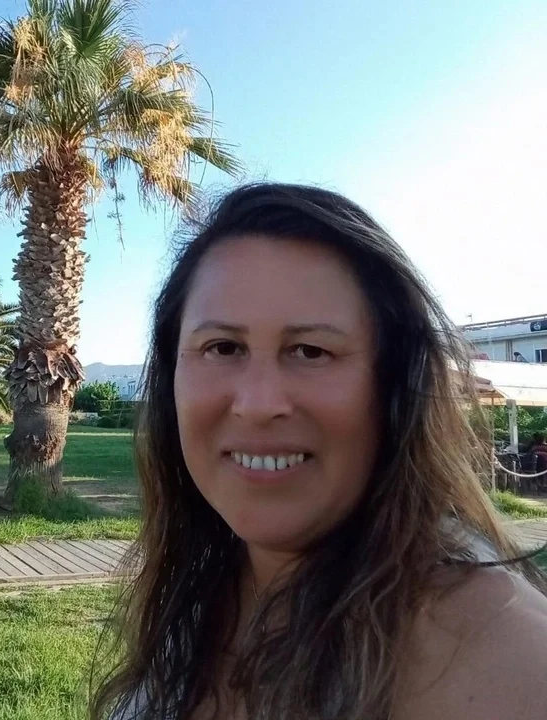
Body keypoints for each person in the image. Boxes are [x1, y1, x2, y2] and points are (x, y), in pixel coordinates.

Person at [91, 184, 547, 720]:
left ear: (393, 387)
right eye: (223, 347)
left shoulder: (503, 657)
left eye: (311, 351)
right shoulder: (202, 598)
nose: (258, 404)